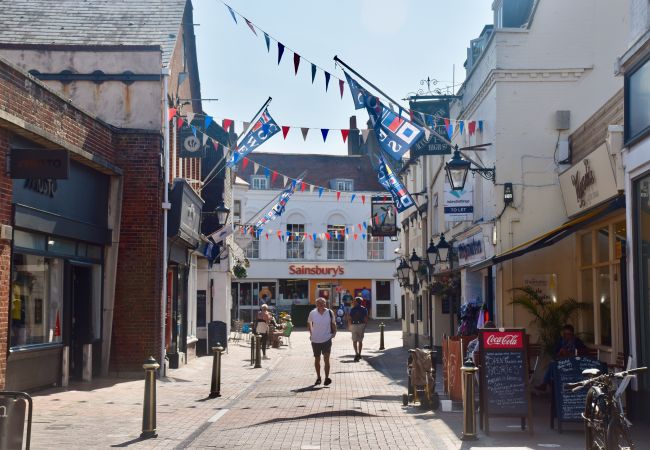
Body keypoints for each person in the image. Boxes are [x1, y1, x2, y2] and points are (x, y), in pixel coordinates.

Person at [536, 324, 588, 391]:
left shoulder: (577, 341)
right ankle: (546, 384)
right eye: (564, 334)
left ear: (572, 334)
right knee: (552, 364)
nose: (566, 336)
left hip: (574, 363)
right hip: (563, 363)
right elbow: (555, 354)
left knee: (554, 366)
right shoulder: (561, 341)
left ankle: (545, 384)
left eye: (568, 334)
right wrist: (560, 352)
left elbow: (583, 353)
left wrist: (569, 353)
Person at [307, 297, 336, 386]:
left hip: (326, 338)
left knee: (326, 358)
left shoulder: (330, 312)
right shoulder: (313, 313)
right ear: (316, 304)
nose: (321, 305)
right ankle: (318, 377)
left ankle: (327, 378)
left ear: (325, 304)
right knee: (317, 359)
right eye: (319, 303)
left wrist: (334, 332)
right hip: (315, 340)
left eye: (323, 303)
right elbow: (309, 323)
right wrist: (311, 334)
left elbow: (333, 323)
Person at [348, 297, 368, 362]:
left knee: (354, 340)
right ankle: (359, 353)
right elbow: (365, 318)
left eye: (354, 301)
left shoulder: (352, 309)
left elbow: (350, 318)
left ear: (356, 302)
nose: (353, 302)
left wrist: (349, 326)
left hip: (354, 325)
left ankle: (356, 353)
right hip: (361, 325)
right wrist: (365, 326)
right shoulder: (364, 309)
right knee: (360, 340)